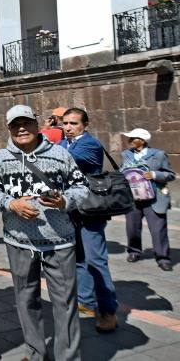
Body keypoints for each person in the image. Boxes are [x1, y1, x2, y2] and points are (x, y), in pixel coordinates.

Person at [0, 105, 88, 361]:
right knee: (26, 300)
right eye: (15, 125)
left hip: (60, 241)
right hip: (19, 241)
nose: (21, 129)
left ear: (37, 125)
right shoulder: (0, 158)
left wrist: (64, 201)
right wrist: (12, 204)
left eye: (26, 123)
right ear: (8, 128)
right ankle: (35, 353)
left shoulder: (60, 154)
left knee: (65, 303)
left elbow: (82, 188)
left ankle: (67, 356)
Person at [59, 107, 118, 332]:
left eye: (73, 123)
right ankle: (86, 304)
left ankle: (108, 311)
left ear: (85, 125)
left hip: (91, 211)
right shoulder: (64, 144)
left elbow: (66, 160)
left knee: (96, 260)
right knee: (79, 260)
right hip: (72, 211)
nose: (68, 128)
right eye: (65, 123)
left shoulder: (89, 144)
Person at [121, 128, 176, 271]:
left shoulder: (158, 155)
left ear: (142, 141)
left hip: (154, 197)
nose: (129, 141)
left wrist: (154, 174)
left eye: (133, 139)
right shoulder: (126, 155)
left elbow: (170, 175)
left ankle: (163, 258)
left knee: (158, 229)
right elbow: (122, 171)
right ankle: (134, 251)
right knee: (132, 227)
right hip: (133, 197)